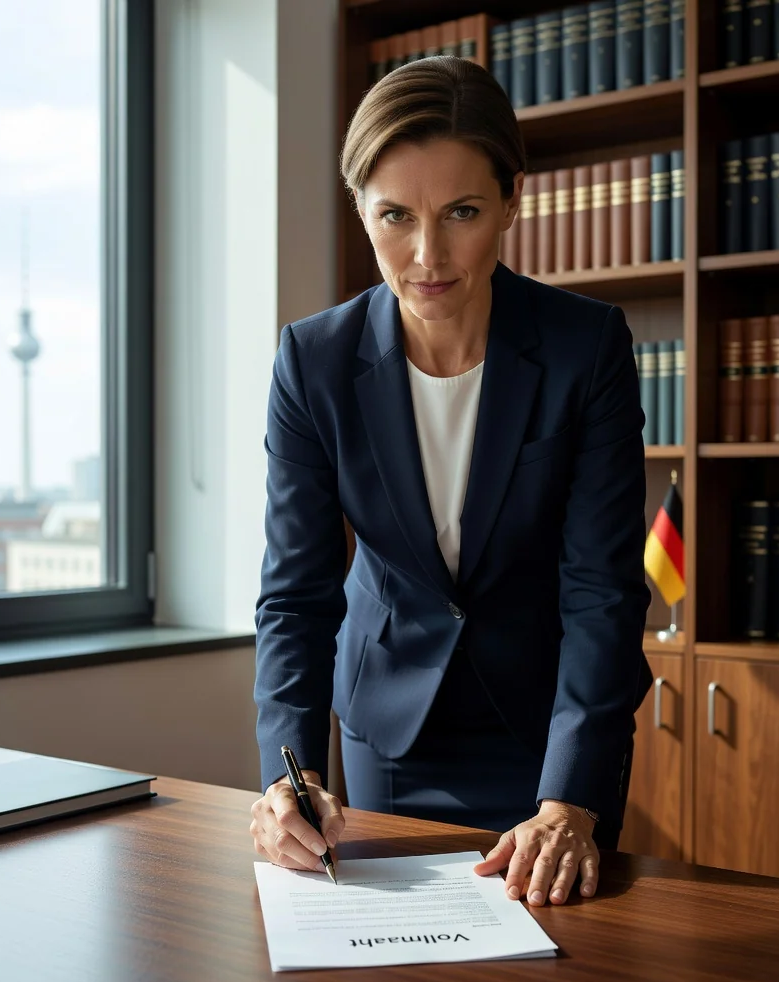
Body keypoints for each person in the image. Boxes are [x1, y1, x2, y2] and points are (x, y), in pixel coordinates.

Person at [250, 55, 651, 908]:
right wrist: (290, 773)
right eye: (395, 215)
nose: (427, 255)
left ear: (513, 200)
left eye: (461, 212)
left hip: (555, 734)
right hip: (391, 732)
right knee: (405, 976)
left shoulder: (587, 349)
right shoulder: (312, 363)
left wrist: (570, 798)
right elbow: (296, 592)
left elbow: (602, 592)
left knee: (567, 967)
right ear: (360, 208)